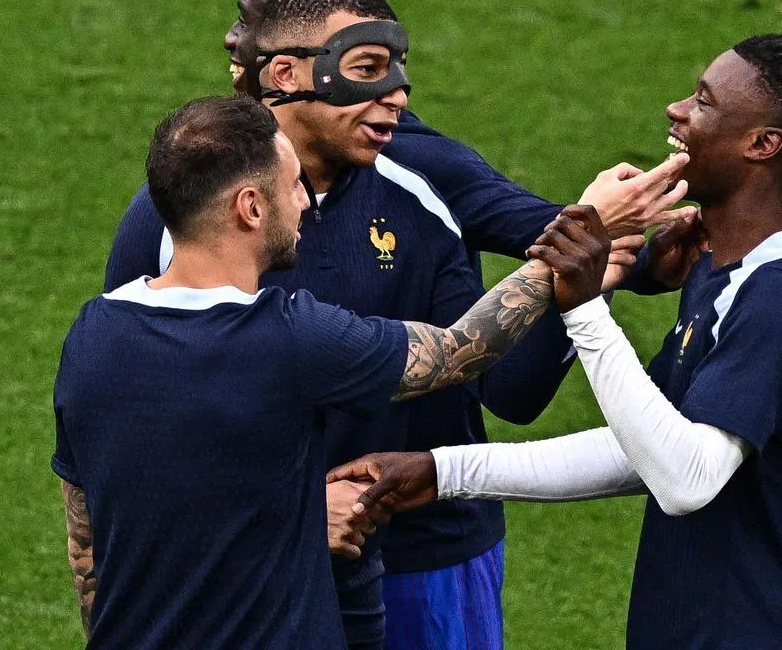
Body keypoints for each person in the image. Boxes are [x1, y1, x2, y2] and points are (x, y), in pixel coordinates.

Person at [103, 0, 691, 650]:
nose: (399, 95)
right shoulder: (179, 217)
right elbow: (134, 431)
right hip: (262, 562)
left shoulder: (421, 179)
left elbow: (514, 377)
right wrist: (289, 514)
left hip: (431, 558)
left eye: (394, 68)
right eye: (365, 71)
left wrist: (611, 268)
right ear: (285, 74)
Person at [330, 34, 782, 649]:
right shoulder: (717, 275)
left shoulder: (779, 301)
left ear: (762, 144)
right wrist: (441, 471)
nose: (677, 110)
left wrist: (585, 307)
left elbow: (687, 478)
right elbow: (647, 448)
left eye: (704, 102)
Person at [53, 95, 608, 648]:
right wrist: (567, 251)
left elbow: (87, 539)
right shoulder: (290, 338)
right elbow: (461, 348)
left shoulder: (92, 336)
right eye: (294, 185)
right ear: (251, 207)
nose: (304, 202)